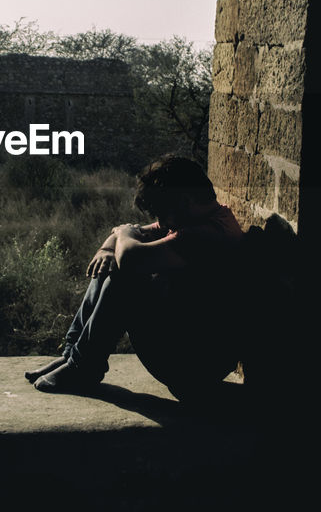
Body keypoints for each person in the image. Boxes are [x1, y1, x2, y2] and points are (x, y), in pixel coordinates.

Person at [23, 154, 245, 400]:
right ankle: (72, 355)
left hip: (194, 369)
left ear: (185, 200)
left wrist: (123, 233)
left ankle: (83, 367)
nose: (160, 221)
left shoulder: (207, 234)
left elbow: (130, 256)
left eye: (162, 212)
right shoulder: (201, 216)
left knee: (125, 278)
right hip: (189, 347)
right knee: (110, 264)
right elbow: (132, 236)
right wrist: (109, 248)